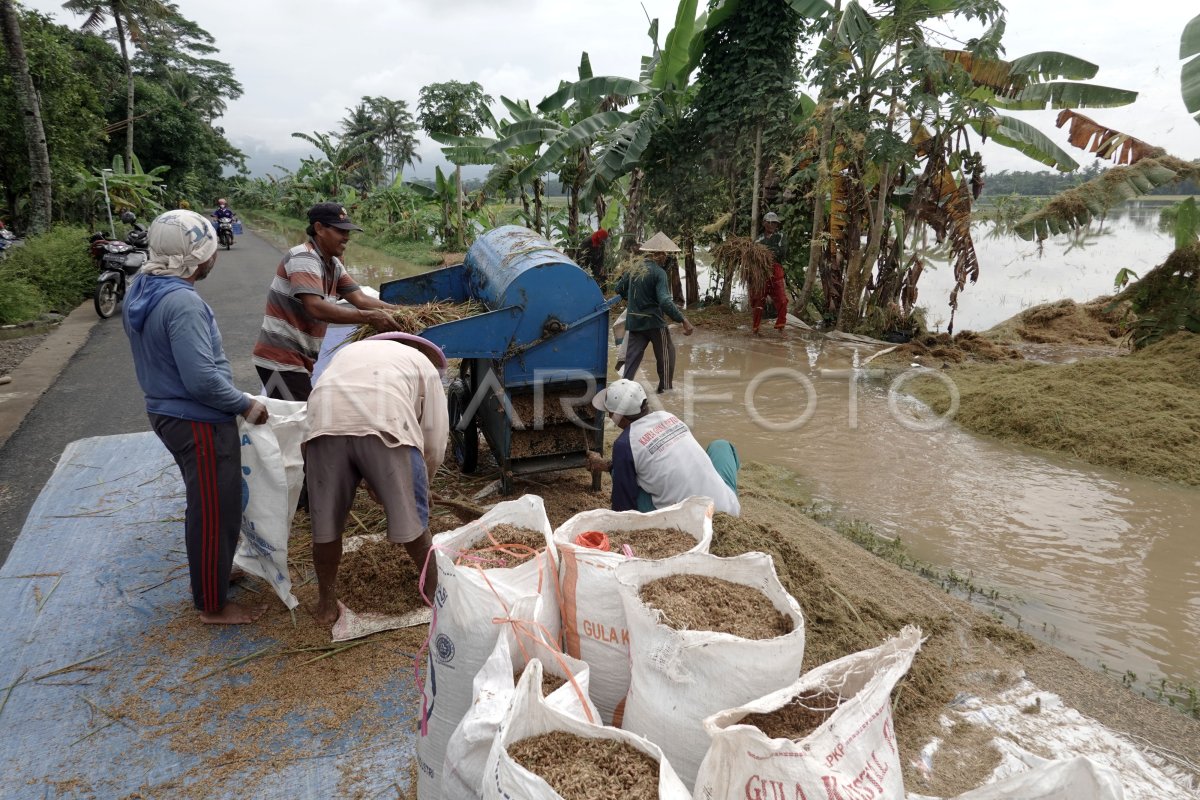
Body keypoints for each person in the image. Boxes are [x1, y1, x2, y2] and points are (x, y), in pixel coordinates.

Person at [121, 209, 270, 625]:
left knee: (214, 502)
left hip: (167, 410)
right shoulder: (182, 301)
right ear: (197, 256)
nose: (215, 256)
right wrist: (245, 404)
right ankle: (212, 604)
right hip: (197, 421)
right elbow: (202, 379)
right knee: (213, 509)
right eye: (210, 249)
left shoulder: (144, 286)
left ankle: (216, 572)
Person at [304, 333, 449, 626]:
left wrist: (372, 479)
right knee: (412, 519)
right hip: (384, 421)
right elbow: (434, 440)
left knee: (326, 524)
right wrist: (423, 486)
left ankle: (326, 604)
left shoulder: (351, 352)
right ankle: (434, 593)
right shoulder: (424, 365)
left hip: (322, 423)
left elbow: (350, 428)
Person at [251, 201, 402, 401]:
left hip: (299, 358)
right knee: (299, 421)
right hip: (280, 358)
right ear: (319, 229)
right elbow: (315, 307)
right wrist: (369, 318)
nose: (346, 237)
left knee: (298, 418)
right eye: (340, 231)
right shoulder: (304, 257)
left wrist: (402, 312)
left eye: (348, 231)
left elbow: (360, 298)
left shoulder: (332, 265)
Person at [586, 379, 740, 516]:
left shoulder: (624, 444)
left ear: (618, 416)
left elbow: (623, 506)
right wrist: (607, 465)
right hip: (728, 509)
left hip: (696, 521)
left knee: (630, 479)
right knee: (721, 446)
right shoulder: (668, 417)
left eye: (610, 413)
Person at [612, 231, 694, 393]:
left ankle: (621, 391)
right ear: (658, 254)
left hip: (635, 322)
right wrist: (682, 319)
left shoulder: (634, 268)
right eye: (664, 254)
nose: (665, 257)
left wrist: (634, 299)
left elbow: (619, 288)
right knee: (666, 354)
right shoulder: (659, 273)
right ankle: (665, 390)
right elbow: (664, 300)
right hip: (655, 323)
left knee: (632, 360)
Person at [753, 211, 789, 335]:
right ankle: (756, 328)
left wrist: (765, 252)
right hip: (762, 272)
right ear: (764, 223)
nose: (772, 225)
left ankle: (780, 327)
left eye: (774, 223)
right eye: (769, 223)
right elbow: (754, 255)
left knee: (782, 300)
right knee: (758, 300)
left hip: (776, 270)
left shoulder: (781, 236)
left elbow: (782, 253)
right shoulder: (758, 239)